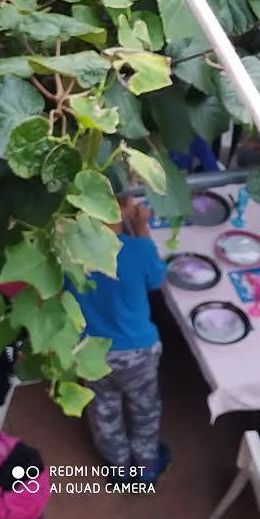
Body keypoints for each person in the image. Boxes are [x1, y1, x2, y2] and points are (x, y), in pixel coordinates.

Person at [66, 197, 170, 484]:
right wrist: (141, 227)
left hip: (91, 353)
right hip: (137, 354)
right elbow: (157, 279)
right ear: (122, 208)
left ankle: (118, 465)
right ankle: (145, 465)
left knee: (104, 408)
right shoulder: (137, 249)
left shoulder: (70, 254)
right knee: (145, 409)